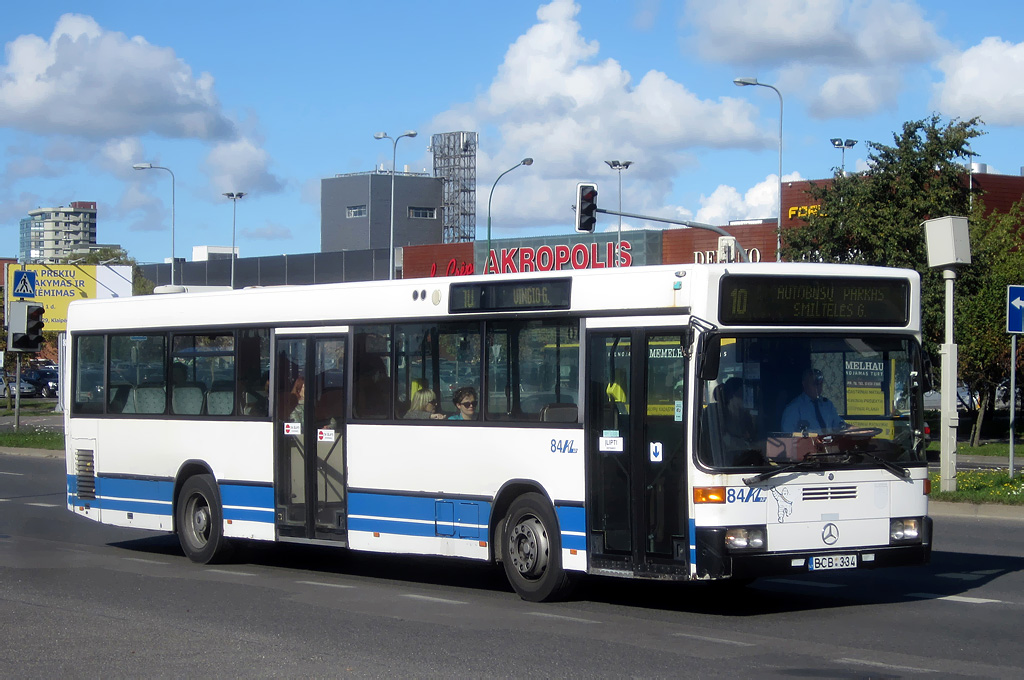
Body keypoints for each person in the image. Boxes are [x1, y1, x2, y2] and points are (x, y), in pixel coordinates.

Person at [781, 368, 846, 433]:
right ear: (804, 384)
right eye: (814, 384)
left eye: (820, 384)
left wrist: (847, 428)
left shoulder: (827, 405)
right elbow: (788, 436)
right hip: (807, 443)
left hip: (830, 442)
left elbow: (839, 425)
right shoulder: (793, 408)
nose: (818, 387)